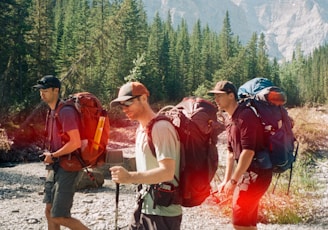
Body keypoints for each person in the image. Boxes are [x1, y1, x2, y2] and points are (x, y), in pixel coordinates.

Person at [109, 81, 182, 230]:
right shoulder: (141, 130)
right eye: (121, 105)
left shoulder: (161, 128)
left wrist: (129, 177)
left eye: (128, 103)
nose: (124, 109)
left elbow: (167, 172)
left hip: (163, 213)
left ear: (143, 98)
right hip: (144, 207)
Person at [208, 81, 273, 230]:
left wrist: (233, 180)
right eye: (214, 96)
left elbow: (248, 152)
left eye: (219, 96)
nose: (216, 100)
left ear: (231, 95)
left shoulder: (246, 116)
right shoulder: (230, 119)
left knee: (239, 221)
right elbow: (231, 153)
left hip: (258, 173)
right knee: (247, 223)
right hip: (249, 173)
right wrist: (226, 181)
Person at [33, 75, 89, 230]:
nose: (42, 93)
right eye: (40, 90)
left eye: (45, 89)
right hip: (56, 166)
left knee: (59, 216)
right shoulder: (52, 111)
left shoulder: (66, 112)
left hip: (69, 166)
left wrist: (53, 156)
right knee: (49, 210)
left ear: (56, 90)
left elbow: (75, 142)